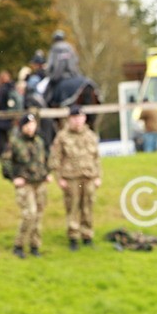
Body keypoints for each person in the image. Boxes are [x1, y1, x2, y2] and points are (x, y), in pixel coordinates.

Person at [48, 104, 102, 251]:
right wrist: (59, 178)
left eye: (80, 117)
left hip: (88, 176)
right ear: (69, 119)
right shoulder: (62, 137)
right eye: (74, 118)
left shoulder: (90, 135)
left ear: (84, 119)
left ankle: (87, 235)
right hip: (71, 178)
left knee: (88, 206)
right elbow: (55, 159)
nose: (77, 121)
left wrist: (98, 176)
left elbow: (96, 158)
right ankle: (73, 237)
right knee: (72, 207)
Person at [1, 113, 52, 259]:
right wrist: (13, 178)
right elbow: (6, 163)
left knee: (38, 216)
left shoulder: (39, 142)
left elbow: (44, 160)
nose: (31, 128)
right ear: (22, 127)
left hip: (39, 183)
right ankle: (19, 245)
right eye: (28, 125)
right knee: (29, 214)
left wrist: (46, 174)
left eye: (33, 124)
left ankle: (35, 246)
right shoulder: (15, 143)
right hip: (25, 184)